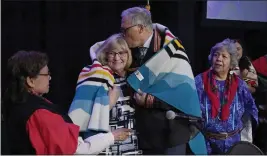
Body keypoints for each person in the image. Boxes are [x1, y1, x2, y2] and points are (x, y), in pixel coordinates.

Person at [90, 7, 195, 155]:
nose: (122, 34)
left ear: (139, 28)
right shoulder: (128, 48)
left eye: (125, 30)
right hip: (140, 140)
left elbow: (184, 96)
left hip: (169, 135)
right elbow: (103, 49)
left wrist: (151, 100)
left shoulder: (170, 50)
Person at [2, 50, 130, 155]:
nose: (50, 78)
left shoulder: (12, 104)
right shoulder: (40, 113)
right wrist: (112, 137)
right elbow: (75, 151)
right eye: (46, 74)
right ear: (30, 81)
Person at [69, 33, 141, 155]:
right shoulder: (95, 76)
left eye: (122, 53)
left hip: (134, 146)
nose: (117, 58)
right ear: (105, 55)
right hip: (106, 146)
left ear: (128, 54)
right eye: (112, 53)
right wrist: (109, 104)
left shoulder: (136, 78)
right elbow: (82, 116)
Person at [195, 39, 258, 154]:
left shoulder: (240, 85)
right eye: (216, 55)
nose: (219, 59)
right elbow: (190, 110)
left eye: (224, 56)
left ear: (231, 62)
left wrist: (245, 136)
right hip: (206, 143)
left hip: (234, 144)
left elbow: (251, 110)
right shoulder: (200, 82)